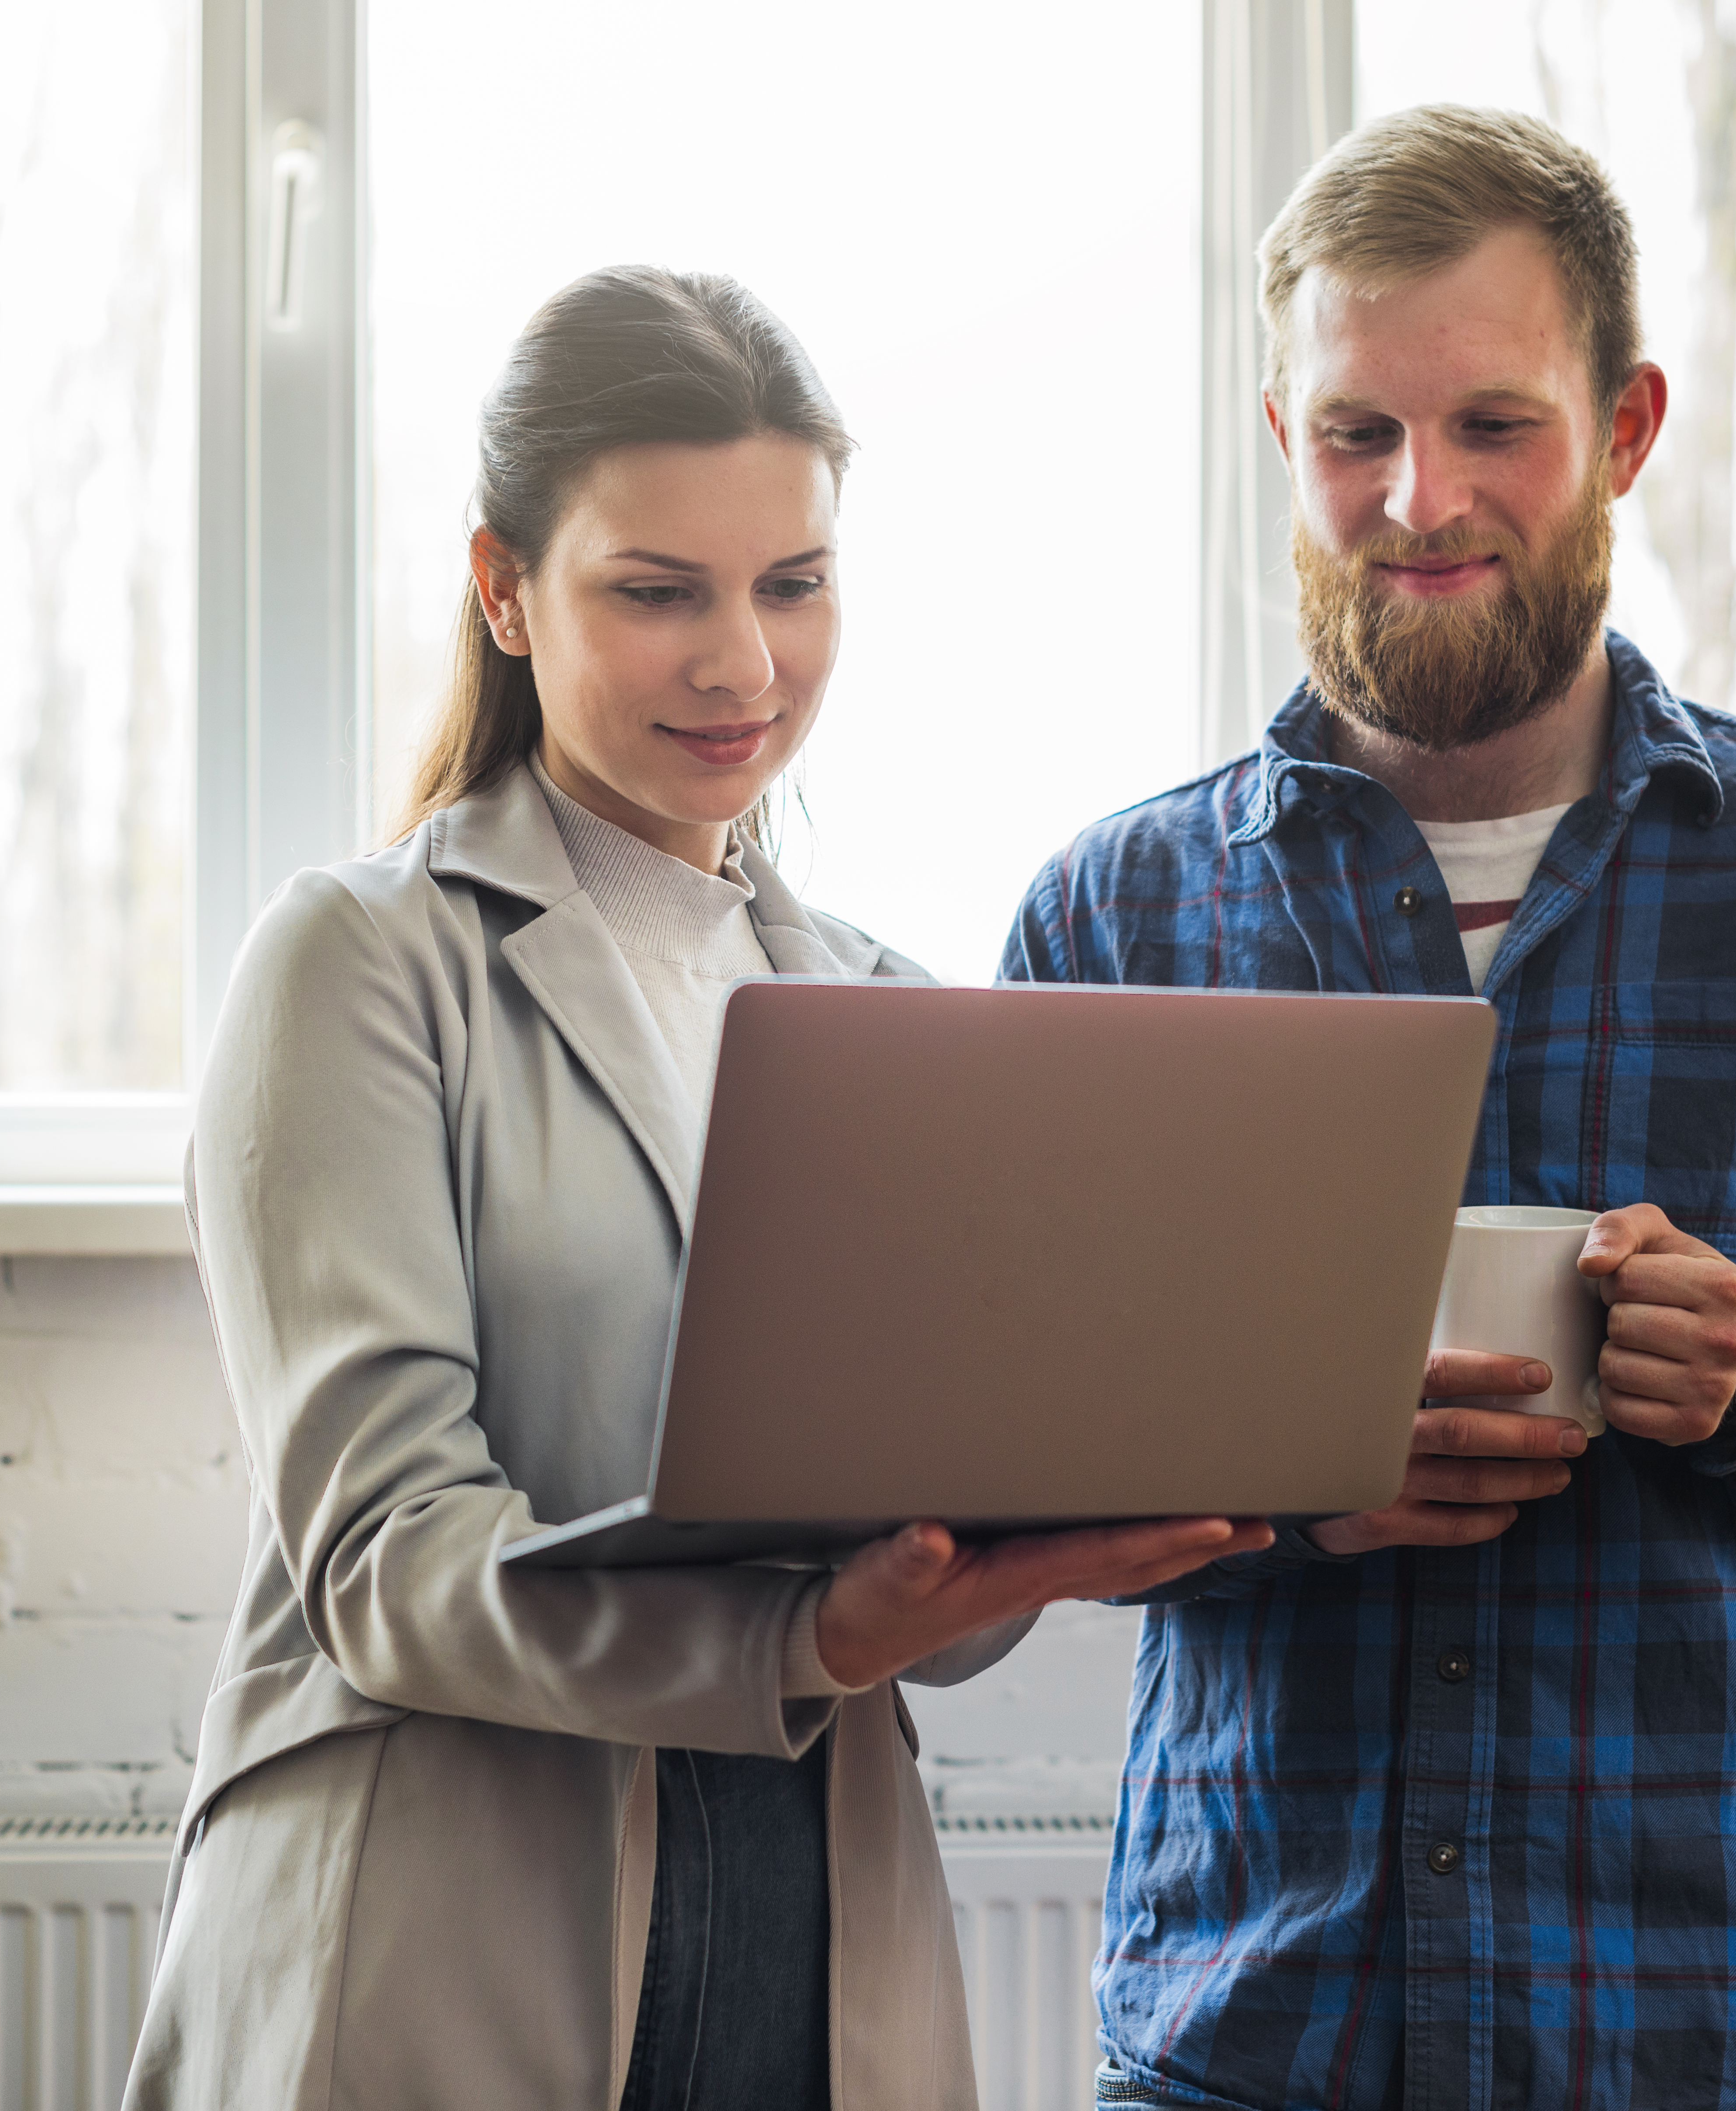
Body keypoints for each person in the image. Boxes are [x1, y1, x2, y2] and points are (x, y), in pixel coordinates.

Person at [1004, 109, 1736, 2111]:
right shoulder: (1122, 911)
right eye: (1356, 431)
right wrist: (1291, 1492)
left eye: (1493, 428)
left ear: (1624, 429)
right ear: (1280, 430)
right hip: (1265, 2030)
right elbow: (1005, 1453)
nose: (1416, 499)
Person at [121, 266, 1268, 2111]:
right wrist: (805, 1635)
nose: (742, 663)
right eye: (658, 592)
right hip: (454, 1932)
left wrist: (1026, 1545)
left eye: (793, 585)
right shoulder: (361, 964)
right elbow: (387, 1563)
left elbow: (922, 1586)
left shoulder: (887, 1013)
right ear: (503, 589)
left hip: (818, 1929)